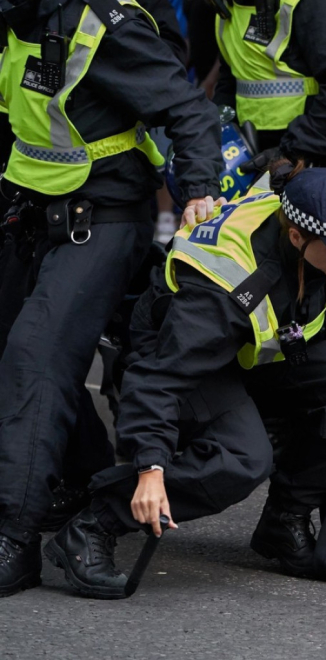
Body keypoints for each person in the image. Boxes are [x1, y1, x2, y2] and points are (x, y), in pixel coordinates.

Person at [42, 165, 326, 597]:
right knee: (243, 459)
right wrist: (150, 467)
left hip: (265, 348)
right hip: (187, 357)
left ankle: (285, 523)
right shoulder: (230, 282)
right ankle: (95, 524)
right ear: (297, 237)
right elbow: (157, 379)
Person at [0, 0, 223, 597]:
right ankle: (82, 483)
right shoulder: (15, 20)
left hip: (104, 217)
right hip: (33, 213)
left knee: (36, 356)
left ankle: (14, 540)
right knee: (19, 353)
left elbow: (189, 111)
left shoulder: (102, 25)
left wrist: (198, 188)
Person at [212, 0, 326, 201]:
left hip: (324, 156)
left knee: (320, 233)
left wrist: (292, 151)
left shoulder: (325, 6)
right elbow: (231, 81)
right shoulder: (230, 7)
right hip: (259, 159)